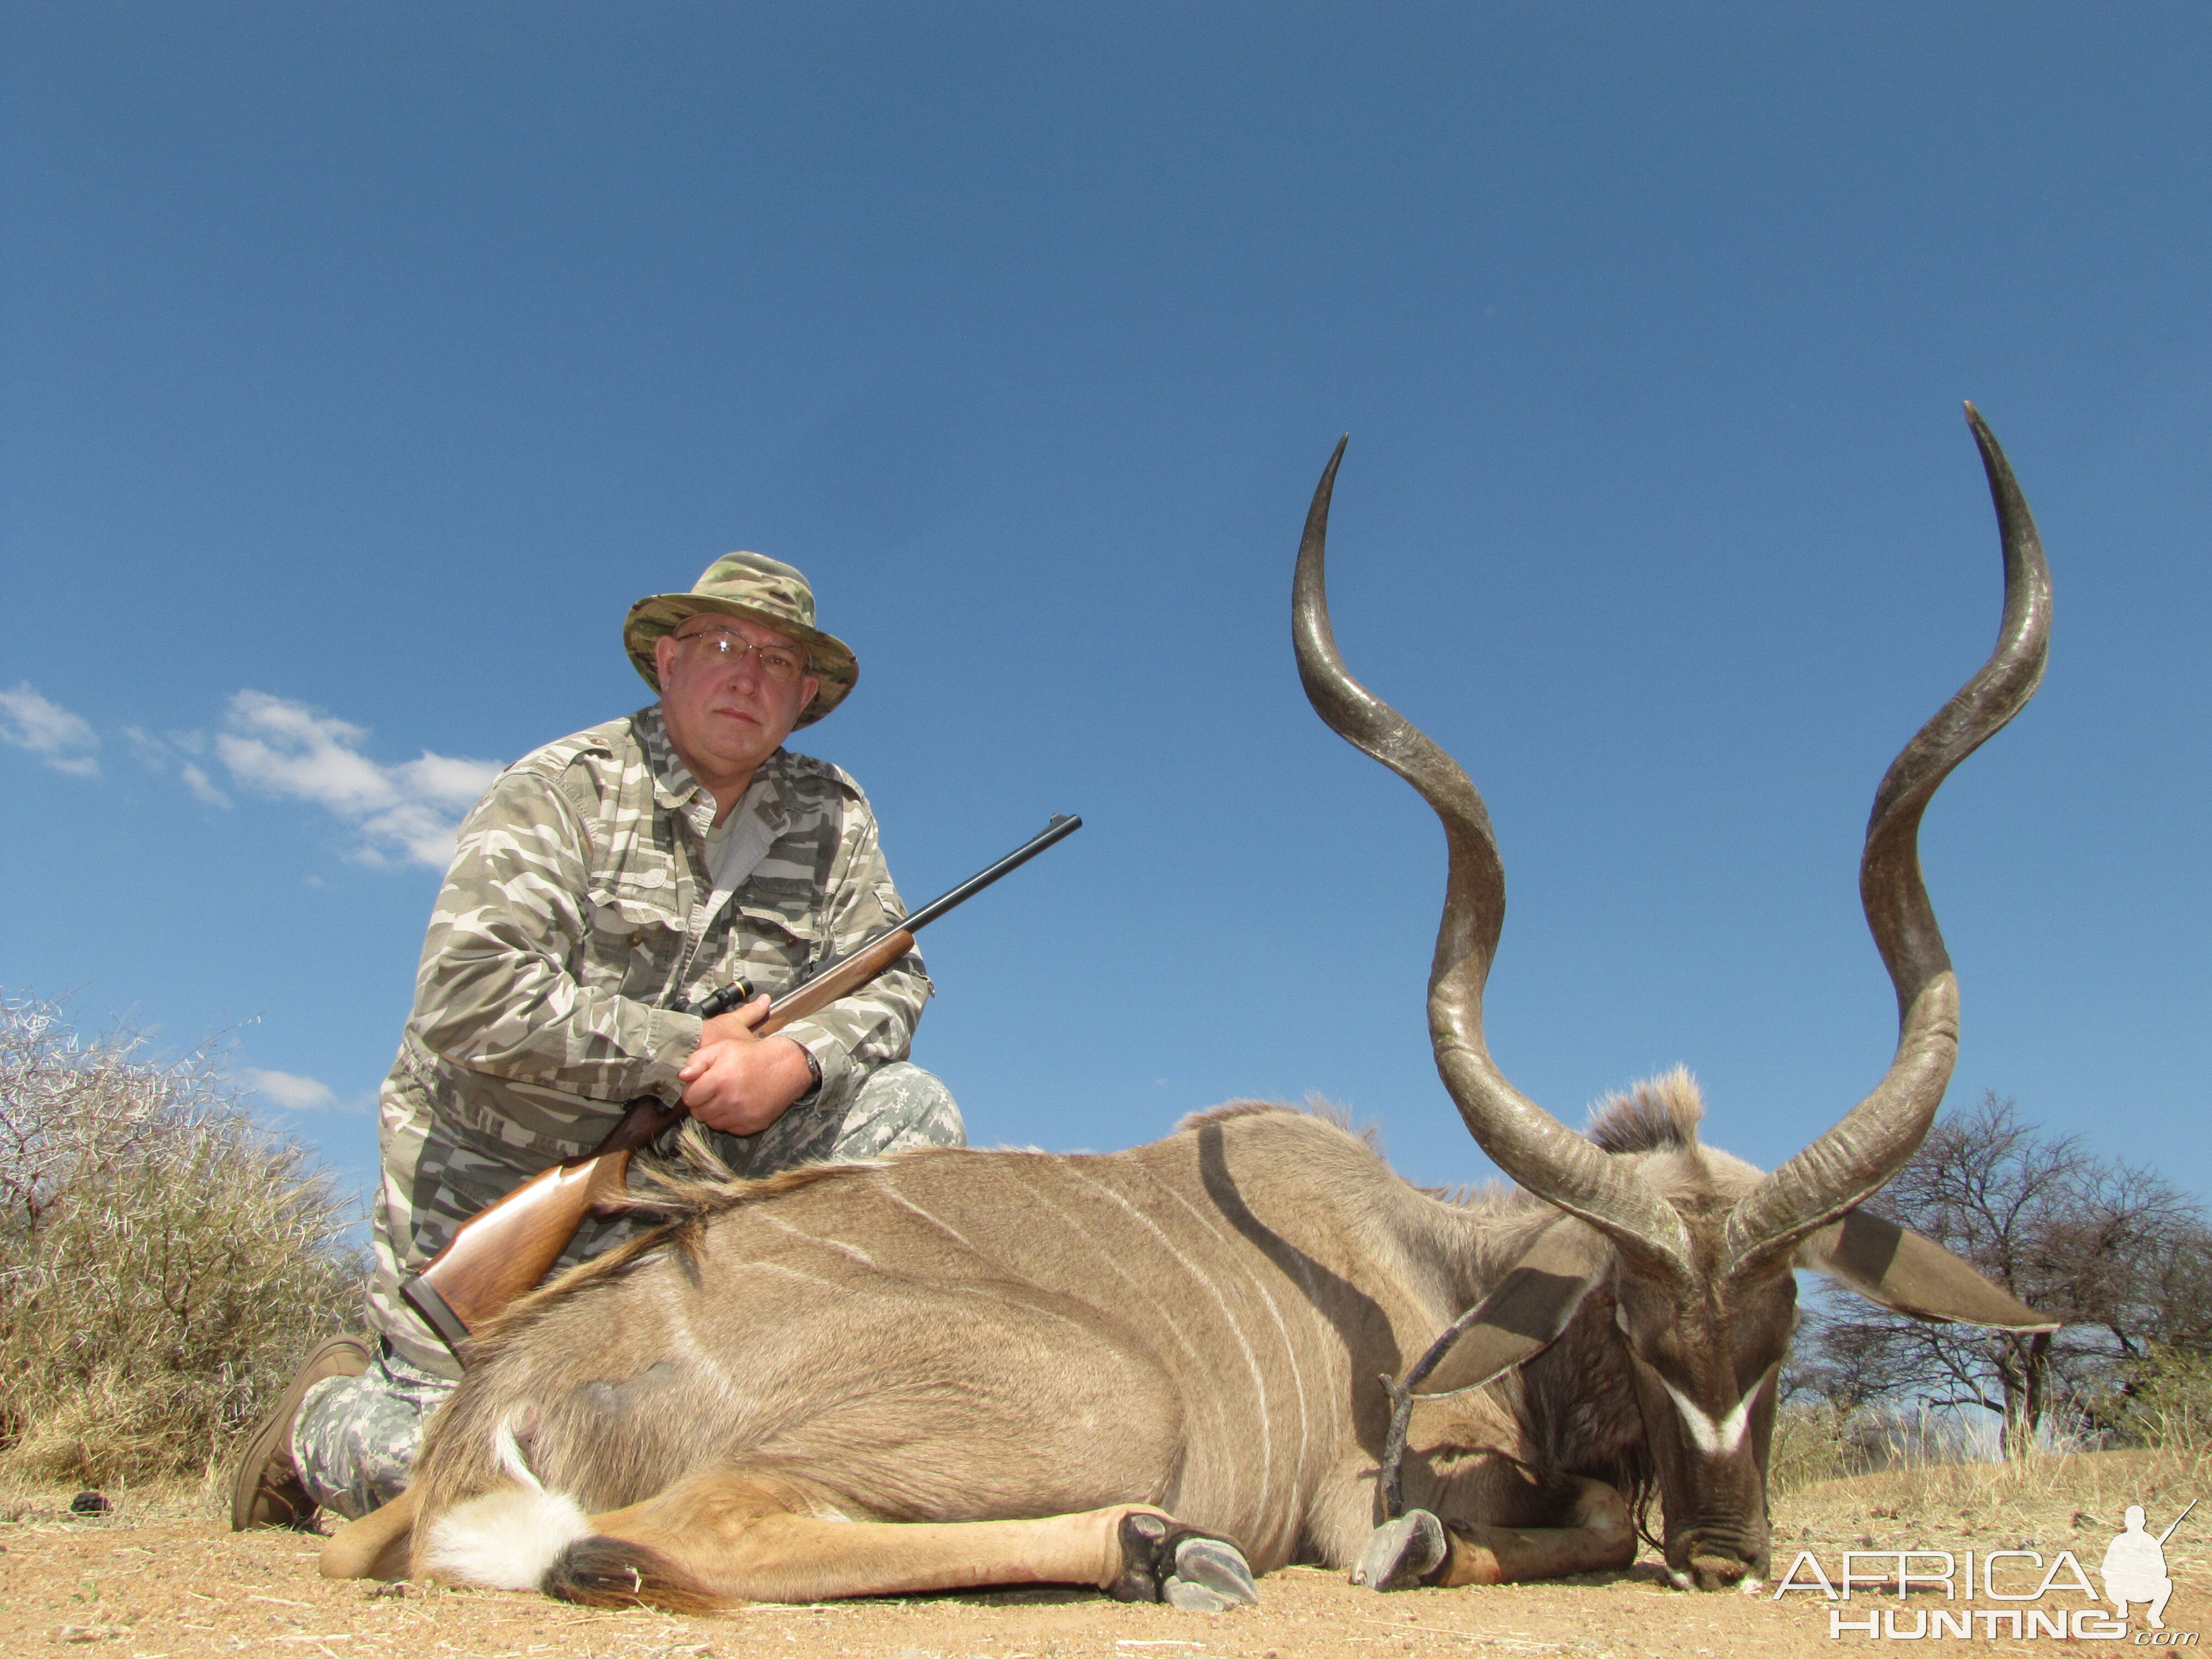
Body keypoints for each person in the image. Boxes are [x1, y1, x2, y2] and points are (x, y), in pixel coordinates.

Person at [232, 551, 963, 1528]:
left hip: (693, 1190)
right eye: (724, 645)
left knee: (910, 1111)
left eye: (782, 662)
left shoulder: (834, 814)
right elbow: (468, 992)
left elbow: (893, 975)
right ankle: (318, 1424)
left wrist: (792, 1061)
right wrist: (685, 1051)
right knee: (471, 1486)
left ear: (805, 696)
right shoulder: (560, 788)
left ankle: (808, 1420)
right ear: (667, 663)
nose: (751, 675)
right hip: (501, 1185)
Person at [2101, 1505, 2174, 1629]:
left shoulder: (2150, 1541)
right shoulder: (2119, 1541)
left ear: (2143, 1522)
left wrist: (2146, 1570)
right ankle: (2122, 1606)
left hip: (2144, 1588)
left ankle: (2154, 1616)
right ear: (2126, 1522)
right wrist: (2122, 1573)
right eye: (2132, 1521)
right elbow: (2106, 1569)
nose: (2135, 1524)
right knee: (2110, 1583)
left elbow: (2162, 1570)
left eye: (2138, 1521)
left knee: (2166, 1583)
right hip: (2122, 1588)